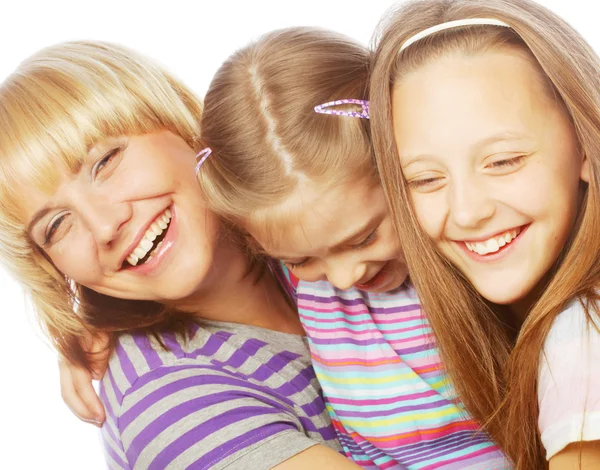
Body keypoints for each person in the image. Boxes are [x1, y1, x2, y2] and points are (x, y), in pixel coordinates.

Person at [64, 28, 509, 468]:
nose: (343, 278)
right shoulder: (168, 398)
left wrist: (86, 319)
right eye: (299, 260)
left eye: (363, 238)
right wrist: (76, 316)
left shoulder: (465, 233)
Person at [0, 41, 356, 469]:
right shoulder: (165, 400)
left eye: (105, 162)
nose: (104, 225)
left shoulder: (306, 213)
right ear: (50, 268)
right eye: (56, 226)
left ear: (176, 122)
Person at [369, 0, 600, 468]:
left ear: (584, 145)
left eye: (503, 161)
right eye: (425, 179)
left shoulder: (584, 334)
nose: (468, 211)